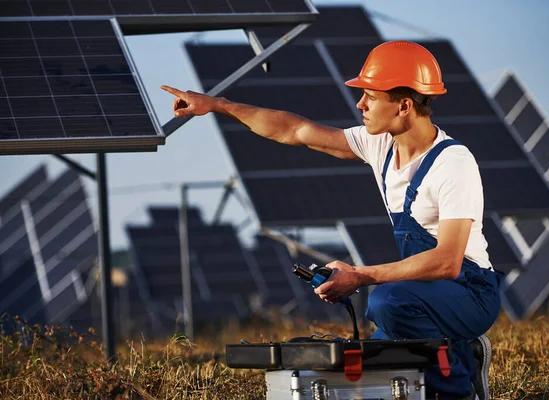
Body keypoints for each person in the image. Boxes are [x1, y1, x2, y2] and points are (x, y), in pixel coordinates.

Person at [161, 40, 504, 400]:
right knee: (375, 358)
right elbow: (293, 130)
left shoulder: (453, 163)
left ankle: (460, 388)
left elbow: (448, 262)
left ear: (403, 105)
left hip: (470, 292)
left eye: (370, 96)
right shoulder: (380, 146)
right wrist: (218, 105)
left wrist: (360, 276)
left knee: (387, 304)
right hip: (423, 293)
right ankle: (464, 350)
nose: (360, 105)